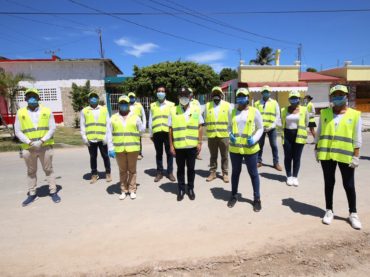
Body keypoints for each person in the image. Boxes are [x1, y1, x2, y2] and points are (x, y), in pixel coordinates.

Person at [315, 85, 362, 230]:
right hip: (326, 154)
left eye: (341, 94)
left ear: (346, 96)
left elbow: (357, 137)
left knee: (348, 185)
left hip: (345, 154)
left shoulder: (354, 115)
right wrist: (317, 148)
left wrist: (356, 156)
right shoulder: (325, 113)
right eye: (335, 94)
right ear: (331, 97)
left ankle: (353, 213)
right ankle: (329, 210)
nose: (338, 97)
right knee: (329, 183)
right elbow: (320, 132)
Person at [15, 88, 60, 206]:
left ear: (39, 98)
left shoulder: (47, 111)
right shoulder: (20, 112)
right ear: (25, 99)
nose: (32, 98)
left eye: (34, 96)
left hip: (44, 146)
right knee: (31, 171)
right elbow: (18, 131)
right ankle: (32, 194)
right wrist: (30, 142)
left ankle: (53, 191)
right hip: (29, 148)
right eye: (29, 96)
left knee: (48, 170)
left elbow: (52, 127)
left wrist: (42, 141)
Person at [227, 88, 263, 212]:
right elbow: (229, 127)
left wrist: (254, 139)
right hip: (235, 148)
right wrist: (230, 134)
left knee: (253, 174)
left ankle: (257, 199)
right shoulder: (232, 112)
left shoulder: (254, 111)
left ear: (248, 97)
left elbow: (260, 128)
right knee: (235, 172)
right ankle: (233, 195)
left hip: (250, 149)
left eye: (243, 96)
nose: (241, 98)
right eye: (239, 96)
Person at [169, 87, 204, 201]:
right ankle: (181, 189)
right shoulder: (173, 111)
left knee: (191, 169)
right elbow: (170, 129)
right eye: (181, 95)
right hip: (179, 146)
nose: (184, 97)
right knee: (180, 169)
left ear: (190, 96)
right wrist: (171, 145)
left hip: (191, 146)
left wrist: (199, 142)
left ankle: (190, 188)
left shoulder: (196, 110)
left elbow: (199, 127)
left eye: (186, 95)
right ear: (178, 97)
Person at [107, 95, 145, 200]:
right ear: (119, 104)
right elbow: (109, 133)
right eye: (122, 103)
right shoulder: (113, 118)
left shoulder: (135, 117)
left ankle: (132, 189)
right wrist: (110, 148)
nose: (123, 105)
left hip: (133, 148)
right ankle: (123, 190)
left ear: (129, 105)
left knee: (132, 170)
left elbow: (141, 130)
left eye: (125, 103)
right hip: (119, 149)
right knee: (122, 170)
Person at [80, 92, 111, 184]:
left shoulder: (104, 109)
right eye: (91, 97)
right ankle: (94, 174)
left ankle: (108, 173)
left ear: (98, 99)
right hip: (91, 139)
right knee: (93, 157)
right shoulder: (84, 111)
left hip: (102, 138)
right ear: (89, 99)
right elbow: (82, 125)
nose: (93, 99)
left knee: (105, 156)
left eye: (95, 97)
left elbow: (108, 124)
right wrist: (84, 137)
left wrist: (107, 137)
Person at [281, 91, 309, 187]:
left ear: (299, 99)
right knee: (288, 157)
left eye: (295, 98)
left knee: (297, 157)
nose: (294, 100)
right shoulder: (283, 110)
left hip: (299, 135)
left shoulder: (304, 110)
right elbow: (281, 121)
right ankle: (289, 176)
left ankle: (295, 177)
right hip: (287, 135)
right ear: (289, 99)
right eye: (292, 98)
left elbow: (306, 122)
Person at [148, 85, 176, 182]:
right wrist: (151, 134)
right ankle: (159, 172)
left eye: (162, 91)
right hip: (157, 133)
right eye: (159, 91)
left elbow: (173, 120)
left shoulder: (171, 105)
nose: (160, 92)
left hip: (168, 133)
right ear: (156, 93)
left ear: (165, 93)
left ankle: (170, 172)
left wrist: (174, 134)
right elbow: (150, 120)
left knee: (170, 153)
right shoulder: (153, 105)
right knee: (159, 154)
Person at [204, 86, 231, 183]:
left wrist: (230, 133)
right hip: (211, 136)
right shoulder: (207, 106)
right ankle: (213, 172)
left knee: (225, 156)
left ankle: (225, 173)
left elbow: (231, 121)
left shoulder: (227, 105)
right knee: (213, 155)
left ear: (221, 95)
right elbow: (204, 118)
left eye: (218, 93)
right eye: (214, 93)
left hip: (224, 135)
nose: (216, 95)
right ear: (212, 95)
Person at [254, 85, 282, 171]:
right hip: (261, 128)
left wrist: (272, 126)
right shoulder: (257, 103)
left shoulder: (274, 102)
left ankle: (276, 163)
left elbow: (277, 115)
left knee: (274, 145)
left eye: (267, 91)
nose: (266, 93)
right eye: (264, 92)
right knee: (260, 145)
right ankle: (259, 161)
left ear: (270, 93)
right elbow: (255, 116)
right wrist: (259, 127)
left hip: (271, 128)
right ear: (262, 93)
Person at [128, 92, 146, 160]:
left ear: (135, 97)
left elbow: (143, 115)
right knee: (130, 139)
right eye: (130, 97)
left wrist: (144, 125)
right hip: (129, 125)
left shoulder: (139, 105)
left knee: (138, 140)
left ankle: (139, 153)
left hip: (138, 125)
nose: (131, 98)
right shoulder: (127, 105)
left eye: (132, 97)